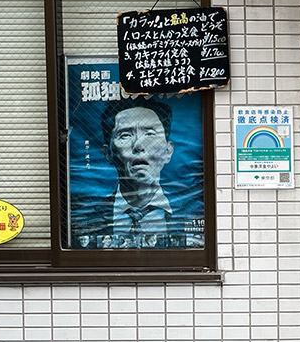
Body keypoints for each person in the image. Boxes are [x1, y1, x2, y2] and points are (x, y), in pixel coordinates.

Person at [69, 98, 203, 249]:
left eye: (150, 134)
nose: (138, 145)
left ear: (168, 151)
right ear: (108, 153)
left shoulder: (193, 211)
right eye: (125, 135)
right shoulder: (83, 217)